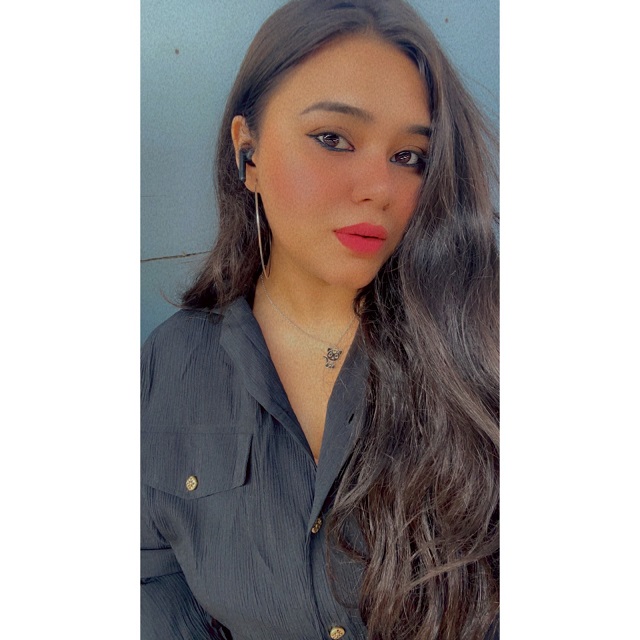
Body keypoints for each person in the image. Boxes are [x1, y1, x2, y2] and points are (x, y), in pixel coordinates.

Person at [141, 0, 499, 638]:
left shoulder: (484, 349)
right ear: (248, 152)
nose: (379, 188)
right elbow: (153, 576)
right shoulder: (171, 365)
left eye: (409, 156)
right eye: (333, 139)